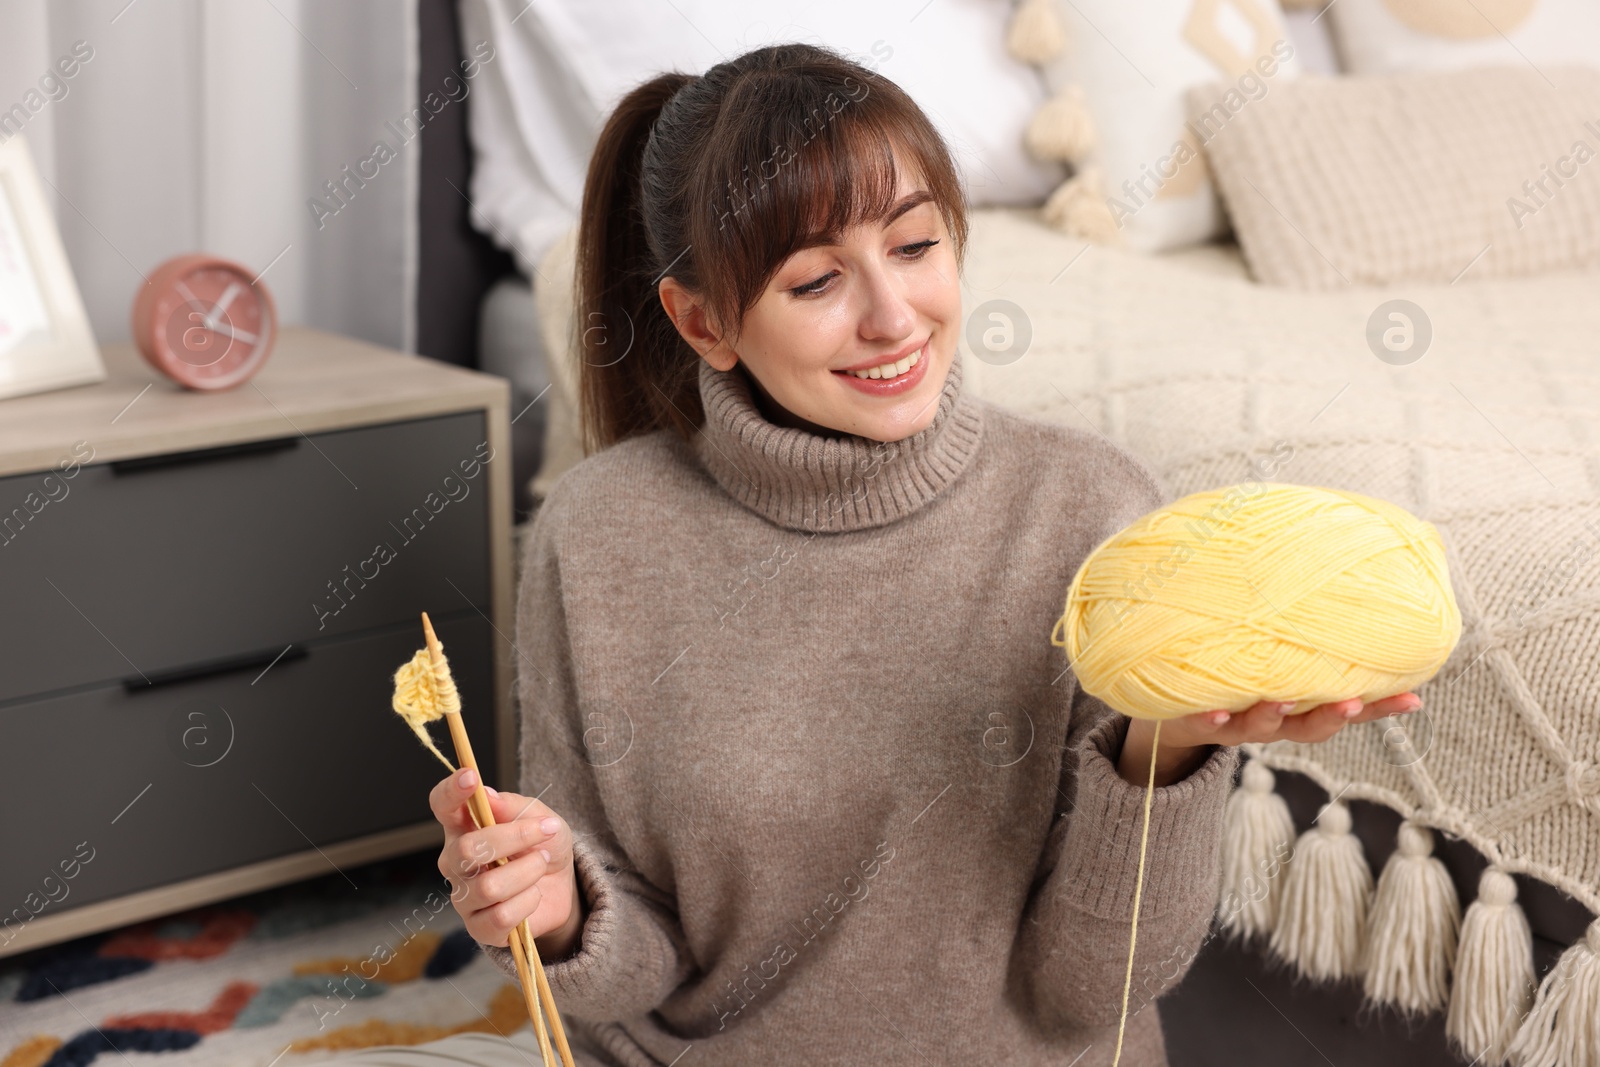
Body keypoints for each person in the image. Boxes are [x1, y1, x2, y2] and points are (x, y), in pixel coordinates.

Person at [325, 41, 1420, 1067]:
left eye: (914, 245)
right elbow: (626, 976)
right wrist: (559, 907)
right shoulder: (600, 533)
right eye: (816, 281)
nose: (894, 318)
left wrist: (1164, 748)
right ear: (702, 322)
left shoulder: (1088, 508)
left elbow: (1093, 992)